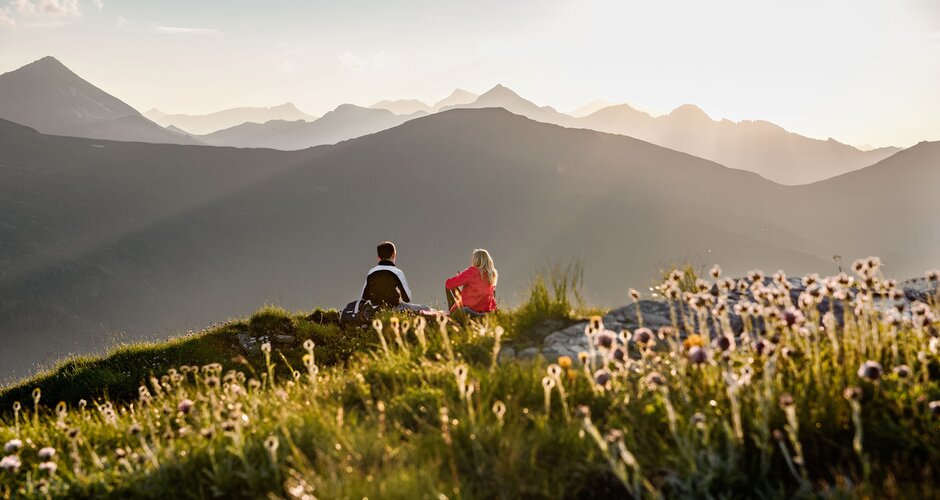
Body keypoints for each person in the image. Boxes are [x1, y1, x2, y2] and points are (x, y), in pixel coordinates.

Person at [355, 241, 429, 314]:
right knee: (426, 308)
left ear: (378, 257)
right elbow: (407, 298)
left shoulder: (371, 272)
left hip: (375, 309)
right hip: (394, 308)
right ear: (394, 255)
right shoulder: (397, 272)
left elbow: (364, 296)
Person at [445, 249, 498, 316]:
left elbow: (448, 284)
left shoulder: (472, 272)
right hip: (484, 312)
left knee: (449, 285)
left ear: (475, 260)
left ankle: (451, 313)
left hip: (469, 310)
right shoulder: (492, 274)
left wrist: (459, 276)